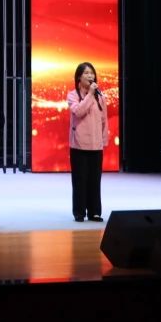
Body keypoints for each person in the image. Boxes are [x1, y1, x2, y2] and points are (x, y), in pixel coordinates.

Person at [67, 62, 108, 223]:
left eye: (92, 73)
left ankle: (95, 212)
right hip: (79, 144)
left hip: (96, 145)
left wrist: (103, 140)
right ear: (79, 77)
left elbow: (104, 120)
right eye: (86, 73)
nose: (90, 76)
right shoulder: (73, 95)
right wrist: (90, 94)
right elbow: (78, 111)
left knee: (95, 180)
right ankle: (79, 212)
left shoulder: (101, 96)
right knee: (80, 180)